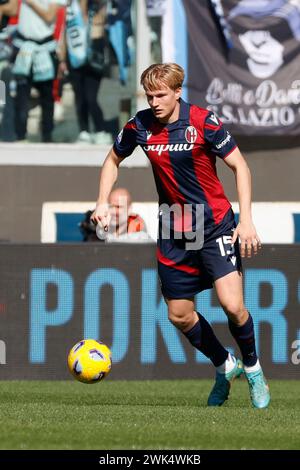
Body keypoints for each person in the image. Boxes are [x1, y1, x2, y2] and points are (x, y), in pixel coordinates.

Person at [91, 63, 270, 409]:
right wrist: (100, 200)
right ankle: (224, 365)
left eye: (161, 94)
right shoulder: (139, 125)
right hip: (174, 228)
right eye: (149, 95)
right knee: (179, 314)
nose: (155, 102)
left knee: (233, 306)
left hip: (215, 223)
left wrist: (246, 220)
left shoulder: (203, 122)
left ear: (177, 92)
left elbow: (240, 166)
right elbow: (113, 160)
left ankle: (253, 368)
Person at [12, 0, 67, 142]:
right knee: (22, 93)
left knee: (47, 95)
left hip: (45, 48)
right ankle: (20, 136)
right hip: (23, 47)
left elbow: (50, 16)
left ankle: (47, 136)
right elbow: (11, 9)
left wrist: (31, 3)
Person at [59, 0, 112, 145]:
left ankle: (101, 130)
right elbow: (64, 33)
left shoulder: (98, 8)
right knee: (79, 98)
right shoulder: (70, 11)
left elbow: (101, 21)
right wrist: (62, 59)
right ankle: (84, 131)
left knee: (91, 97)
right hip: (74, 58)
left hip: (94, 58)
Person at [81, 187, 148, 241]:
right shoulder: (95, 227)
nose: (113, 211)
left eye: (118, 207)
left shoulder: (138, 233)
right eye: (110, 206)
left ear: (129, 209)